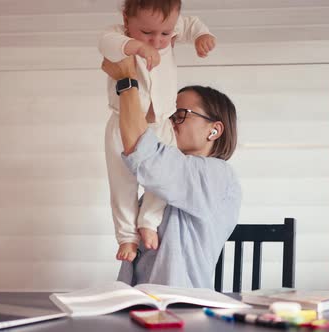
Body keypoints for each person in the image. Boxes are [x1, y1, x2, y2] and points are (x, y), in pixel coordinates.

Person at [101, 55, 240, 288]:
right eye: (168, 114)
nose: (169, 122)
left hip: (179, 307)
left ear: (214, 130)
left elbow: (144, 154)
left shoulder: (217, 175)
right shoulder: (169, 178)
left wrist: (127, 82)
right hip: (141, 302)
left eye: (180, 114)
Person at [99, 0, 217, 263]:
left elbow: (193, 24)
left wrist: (202, 36)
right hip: (123, 122)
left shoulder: (170, 31)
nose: (158, 40)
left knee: (164, 177)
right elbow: (105, 44)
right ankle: (127, 236)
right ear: (127, 20)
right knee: (122, 184)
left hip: (161, 123)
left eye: (165, 33)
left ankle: (149, 222)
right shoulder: (116, 34)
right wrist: (136, 46)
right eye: (147, 33)